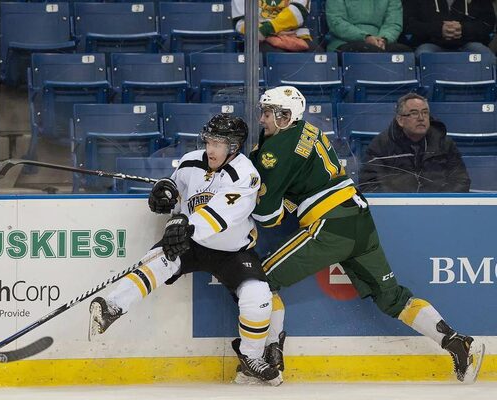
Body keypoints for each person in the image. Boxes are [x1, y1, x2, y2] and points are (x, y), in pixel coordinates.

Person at [249, 85, 485, 383]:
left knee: (260, 281)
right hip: (358, 218)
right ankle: (457, 343)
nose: (263, 119)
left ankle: (270, 356)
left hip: (331, 224)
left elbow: (267, 217)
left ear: (286, 116)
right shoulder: (308, 129)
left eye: (268, 113)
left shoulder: (277, 148)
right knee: (392, 298)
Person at [89, 114, 283, 386]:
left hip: (232, 250)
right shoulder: (190, 161)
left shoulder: (246, 175)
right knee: (155, 262)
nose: (211, 149)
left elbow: (222, 213)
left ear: (234, 146)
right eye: (209, 141)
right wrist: (165, 193)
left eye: (218, 144)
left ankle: (250, 358)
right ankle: (112, 307)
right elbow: (177, 192)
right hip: (192, 243)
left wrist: (187, 225)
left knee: (258, 296)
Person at [359, 93, 471, 193]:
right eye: (414, 113)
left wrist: (439, 201)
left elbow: (461, 180)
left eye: (425, 113)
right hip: (398, 206)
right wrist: (399, 202)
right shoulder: (380, 145)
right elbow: (369, 185)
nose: (421, 118)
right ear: (400, 120)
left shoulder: (444, 143)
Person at [401, 0, 495, 59]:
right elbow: (409, 24)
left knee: (487, 57)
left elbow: (487, 24)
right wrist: (439, 29)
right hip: (430, 44)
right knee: (423, 55)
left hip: (468, 43)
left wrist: (463, 29)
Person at [325, 0, 412, 53]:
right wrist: (365, 37)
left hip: (381, 42)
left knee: (404, 51)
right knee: (368, 49)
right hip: (345, 42)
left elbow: (393, 23)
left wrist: (383, 39)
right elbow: (336, 22)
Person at [231, 0, 314, 53]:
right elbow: (241, 22)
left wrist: (268, 31)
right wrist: (271, 37)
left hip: (297, 37)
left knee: (316, 57)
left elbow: (298, 11)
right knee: (275, 56)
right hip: (260, 40)